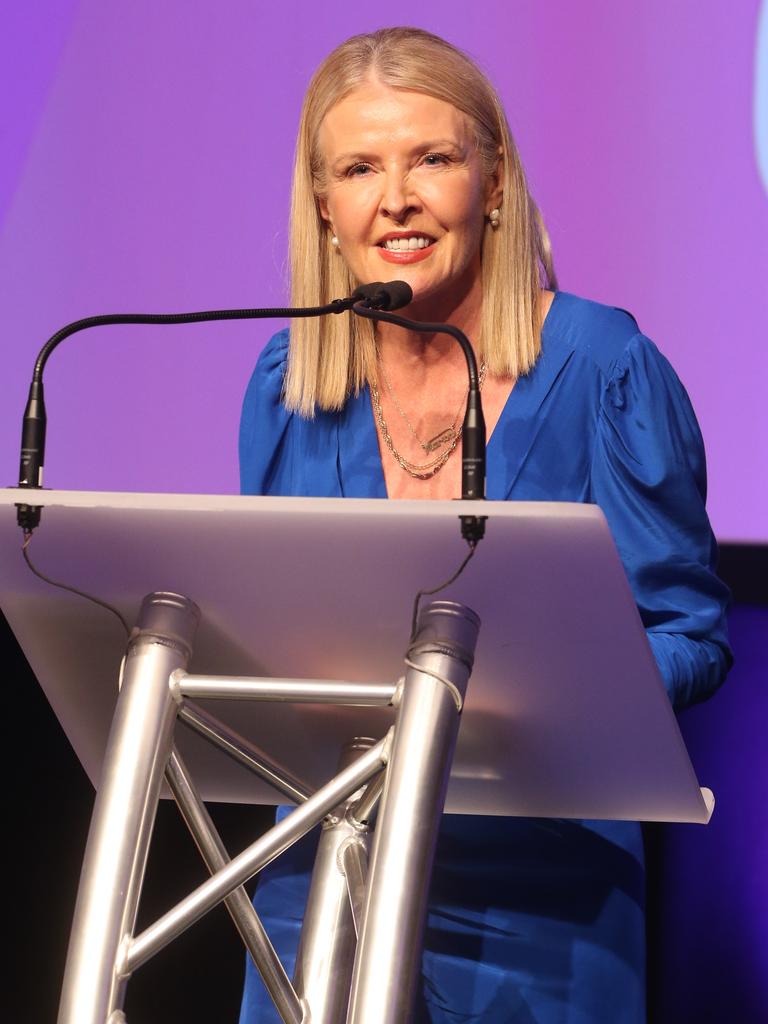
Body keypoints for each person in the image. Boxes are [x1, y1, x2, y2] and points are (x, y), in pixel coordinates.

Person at [238, 27, 731, 1024]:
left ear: (494, 181)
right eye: (361, 168)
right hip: (324, 872)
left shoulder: (603, 365)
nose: (398, 199)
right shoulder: (286, 384)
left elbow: (689, 630)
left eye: (433, 158)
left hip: (543, 884)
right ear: (325, 206)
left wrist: (548, 699)